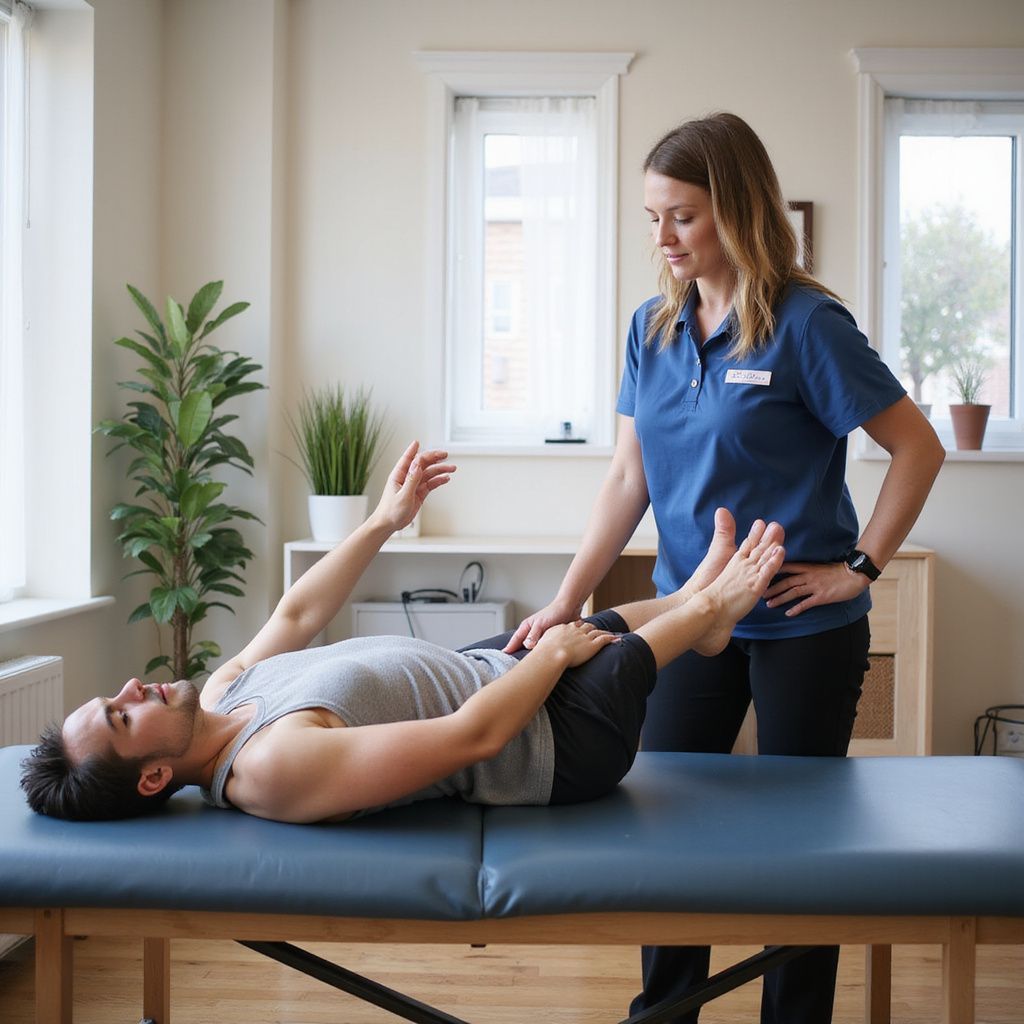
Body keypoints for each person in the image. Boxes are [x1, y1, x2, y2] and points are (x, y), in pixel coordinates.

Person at [504, 112, 946, 1024]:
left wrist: (860, 567)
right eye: (652, 217)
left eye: (682, 217)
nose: (662, 238)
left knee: (804, 843)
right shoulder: (651, 329)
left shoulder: (807, 324)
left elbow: (917, 446)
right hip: (686, 619)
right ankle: (666, 1012)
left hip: (802, 627)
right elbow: (628, 476)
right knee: (666, 824)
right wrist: (566, 597)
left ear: (736, 210)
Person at [21, 440, 785, 826]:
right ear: (154, 777)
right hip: (551, 747)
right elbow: (468, 743)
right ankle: (708, 614)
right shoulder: (267, 768)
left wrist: (383, 522)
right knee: (591, 644)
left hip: (496, 678)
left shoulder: (224, 694)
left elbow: (296, 615)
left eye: (112, 696)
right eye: (124, 716)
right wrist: (551, 657)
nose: (131, 687)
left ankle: (694, 604)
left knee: (575, 627)